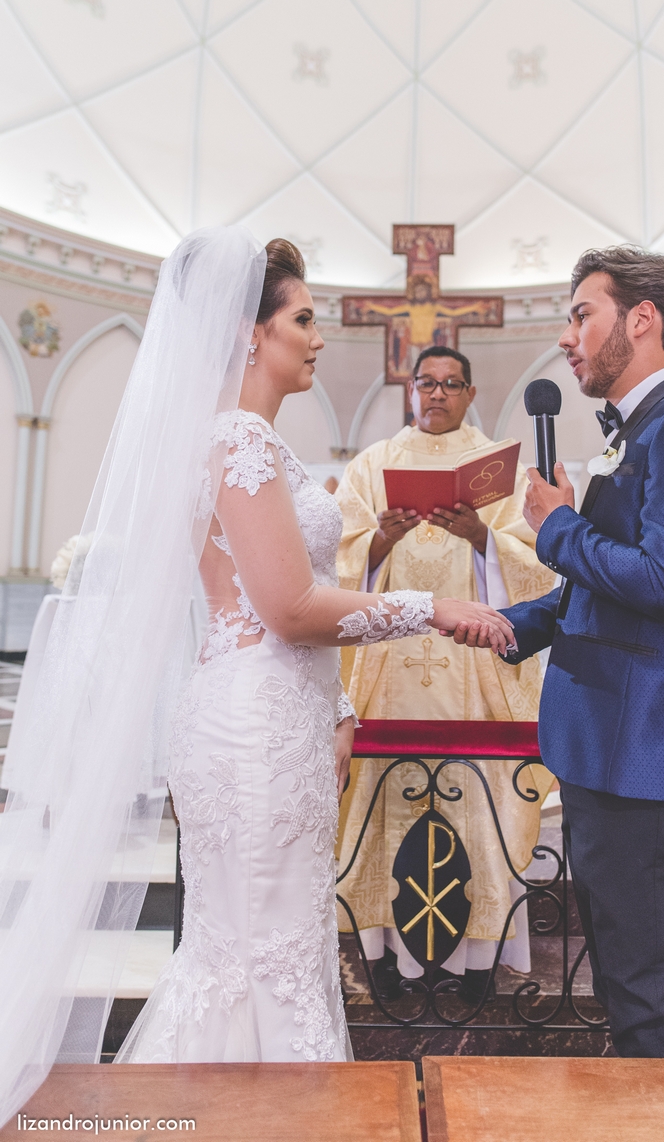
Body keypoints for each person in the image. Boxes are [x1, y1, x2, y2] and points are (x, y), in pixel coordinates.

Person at [0, 229, 513, 1120]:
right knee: (251, 958)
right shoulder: (236, 437)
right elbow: (283, 608)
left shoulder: (254, 442)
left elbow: (267, 603)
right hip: (253, 733)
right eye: (303, 319)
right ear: (248, 331)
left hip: (280, 716)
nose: (317, 338)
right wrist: (431, 609)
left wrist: (339, 701)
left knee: (268, 949)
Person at [452, 246, 664, 1057]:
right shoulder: (640, 429)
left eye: (582, 313)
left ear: (640, 320)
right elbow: (609, 590)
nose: (567, 336)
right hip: (610, 751)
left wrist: (555, 526)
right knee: (624, 986)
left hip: (648, 751)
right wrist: (516, 623)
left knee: (650, 1002)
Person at [335, 346, 555, 1001]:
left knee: (475, 813)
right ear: (409, 389)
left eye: (449, 384)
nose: (435, 394)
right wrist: (381, 540)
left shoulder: (498, 472)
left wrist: (481, 537)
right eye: (424, 383)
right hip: (387, 671)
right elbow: (338, 564)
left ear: (468, 390)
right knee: (386, 812)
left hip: (475, 673)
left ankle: (477, 962)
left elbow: (538, 568)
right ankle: (387, 960)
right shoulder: (371, 466)